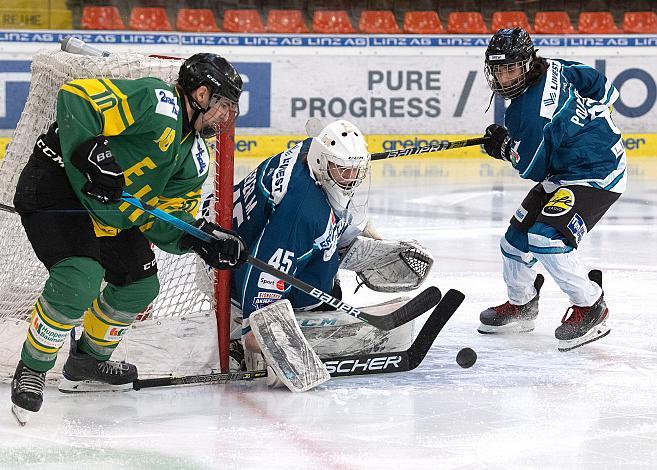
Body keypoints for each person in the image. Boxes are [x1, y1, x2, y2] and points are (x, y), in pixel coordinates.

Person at [10, 53, 247, 420]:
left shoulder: (196, 158)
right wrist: (92, 152)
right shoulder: (158, 102)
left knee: (139, 286)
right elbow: (76, 97)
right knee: (79, 279)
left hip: (109, 212)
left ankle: (87, 361)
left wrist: (198, 238)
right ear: (200, 94)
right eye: (223, 105)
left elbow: (164, 221)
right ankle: (33, 367)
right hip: (59, 185)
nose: (224, 117)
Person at [229, 119, 432, 377]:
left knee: (318, 245)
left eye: (357, 170)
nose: (352, 179)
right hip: (237, 281)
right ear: (322, 162)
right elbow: (266, 267)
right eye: (344, 170)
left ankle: (331, 254)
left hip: (236, 244)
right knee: (300, 284)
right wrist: (258, 328)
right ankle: (238, 330)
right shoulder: (302, 212)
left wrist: (350, 233)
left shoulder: (309, 154)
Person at [478, 28, 626, 351]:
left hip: (596, 173)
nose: (504, 78)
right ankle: (522, 304)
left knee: (546, 238)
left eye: (511, 68)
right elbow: (605, 89)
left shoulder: (525, 113)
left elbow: (531, 169)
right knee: (514, 242)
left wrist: (504, 148)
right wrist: (593, 121)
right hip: (566, 169)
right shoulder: (552, 66)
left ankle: (591, 306)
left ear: (527, 63)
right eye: (499, 69)